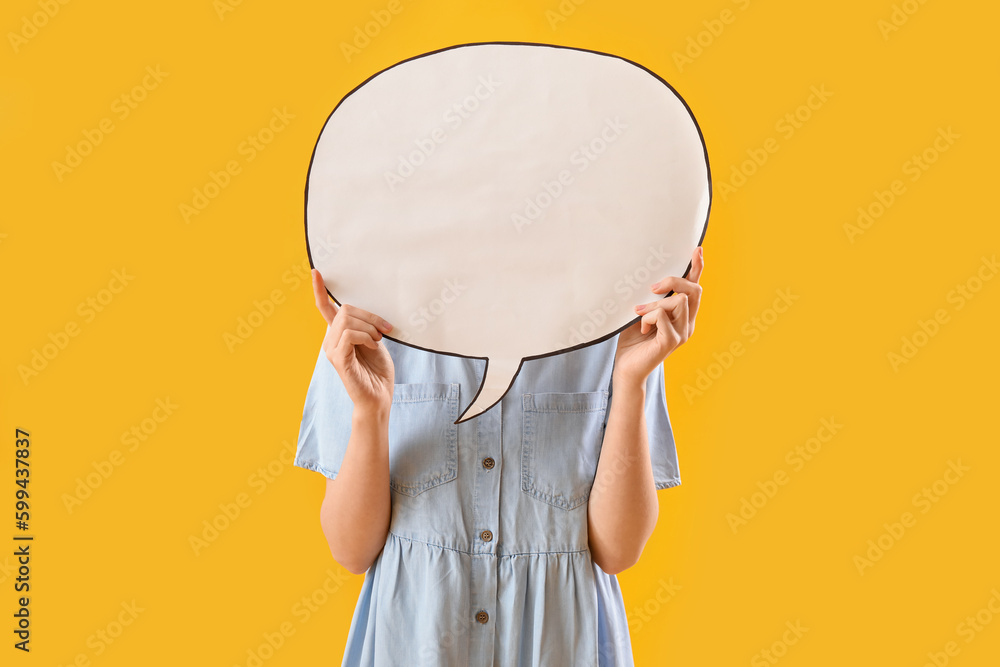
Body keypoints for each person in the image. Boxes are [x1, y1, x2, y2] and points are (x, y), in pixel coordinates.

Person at [294, 246, 705, 666]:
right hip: (413, 642)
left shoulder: (617, 324)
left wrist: (631, 379)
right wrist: (370, 411)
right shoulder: (364, 325)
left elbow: (618, 552)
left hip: (560, 645)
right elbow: (351, 550)